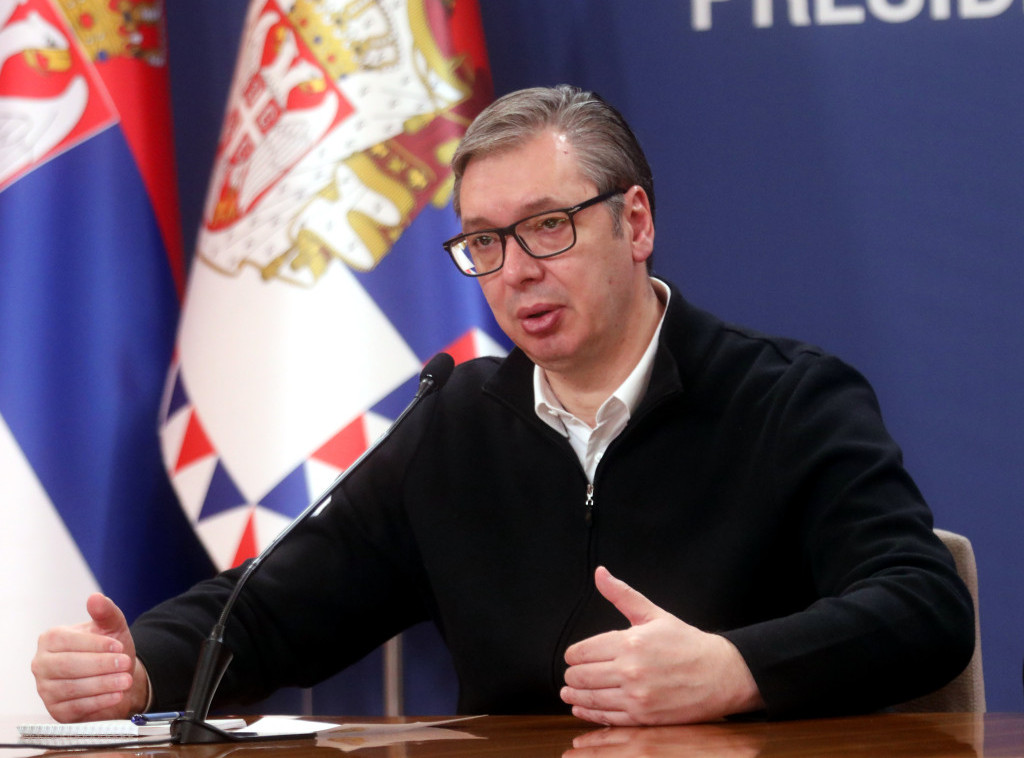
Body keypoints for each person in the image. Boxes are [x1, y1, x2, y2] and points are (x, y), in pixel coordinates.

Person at [33, 85, 974, 727]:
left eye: (548, 227)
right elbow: (273, 609)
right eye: (484, 242)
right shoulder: (454, 426)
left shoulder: (786, 397)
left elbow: (923, 604)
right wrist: (139, 665)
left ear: (635, 223)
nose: (516, 270)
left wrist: (733, 672)